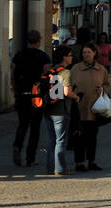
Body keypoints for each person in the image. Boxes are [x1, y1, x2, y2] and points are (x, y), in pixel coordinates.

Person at [11, 30, 51, 166]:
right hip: (37, 97)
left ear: (27, 41)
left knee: (22, 124)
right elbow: (47, 76)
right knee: (35, 128)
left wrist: (15, 91)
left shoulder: (19, 55)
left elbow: (13, 74)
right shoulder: (43, 56)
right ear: (39, 41)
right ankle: (30, 158)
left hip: (22, 95)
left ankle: (17, 146)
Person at [68, 43, 111, 171]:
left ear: (94, 53)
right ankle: (79, 163)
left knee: (92, 137)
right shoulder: (75, 68)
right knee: (79, 137)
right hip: (79, 108)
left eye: (88, 52)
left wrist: (103, 90)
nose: (86, 55)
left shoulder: (101, 69)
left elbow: (107, 85)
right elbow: (68, 85)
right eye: (84, 52)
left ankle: (92, 161)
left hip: (95, 108)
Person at [42, 47, 74, 176]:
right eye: (70, 55)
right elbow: (67, 92)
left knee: (51, 140)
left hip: (48, 109)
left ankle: (50, 168)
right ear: (64, 57)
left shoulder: (50, 71)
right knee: (60, 140)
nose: (72, 58)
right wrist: (76, 97)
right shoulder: (65, 72)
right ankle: (60, 169)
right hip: (61, 110)